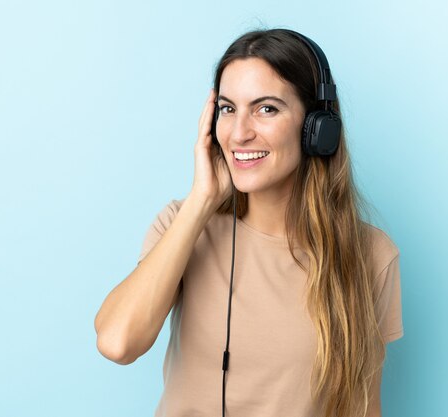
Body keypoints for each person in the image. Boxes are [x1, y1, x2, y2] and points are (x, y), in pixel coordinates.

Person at [94, 28, 403, 417]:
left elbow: (362, 408)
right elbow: (117, 342)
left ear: (316, 129)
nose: (240, 133)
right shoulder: (182, 224)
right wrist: (202, 201)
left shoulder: (371, 255)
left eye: (266, 108)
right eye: (227, 109)